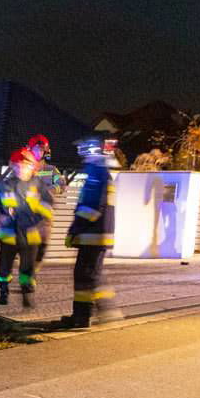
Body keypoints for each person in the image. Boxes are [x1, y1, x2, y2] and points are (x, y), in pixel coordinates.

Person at [58, 138, 121, 328]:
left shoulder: (96, 175)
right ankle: (91, 314)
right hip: (97, 235)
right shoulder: (103, 174)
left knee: (87, 276)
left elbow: (92, 208)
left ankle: (91, 315)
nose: (83, 158)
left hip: (91, 236)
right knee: (90, 276)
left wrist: (75, 229)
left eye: (85, 153)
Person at [0, 148, 54, 307]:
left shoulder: (39, 185)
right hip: (8, 234)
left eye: (25, 164)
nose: (21, 167)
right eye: (18, 164)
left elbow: (48, 206)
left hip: (30, 233)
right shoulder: (4, 185)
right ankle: (3, 292)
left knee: (28, 268)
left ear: (32, 166)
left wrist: (36, 219)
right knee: (4, 267)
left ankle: (27, 295)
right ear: (13, 166)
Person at [27, 134, 66, 270]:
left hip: (45, 214)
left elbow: (61, 184)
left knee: (42, 246)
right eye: (36, 148)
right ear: (30, 149)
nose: (39, 151)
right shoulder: (23, 168)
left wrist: (49, 191)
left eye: (41, 149)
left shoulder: (51, 170)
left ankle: (33, 269)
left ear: (46, 151)